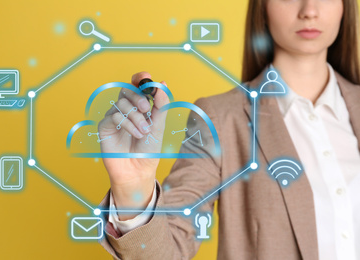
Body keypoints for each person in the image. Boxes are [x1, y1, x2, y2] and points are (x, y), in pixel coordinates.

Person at [97, 0, 360, 259]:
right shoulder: (220, 119)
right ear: (263, 8)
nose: (309, 11)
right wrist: (133, 187)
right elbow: (169, 248)